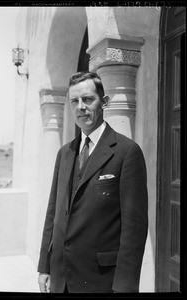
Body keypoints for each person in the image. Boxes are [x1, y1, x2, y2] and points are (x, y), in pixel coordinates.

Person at [37, 71, 148, 293]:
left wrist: (124, 288)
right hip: (61, 278)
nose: (81, 107)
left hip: (101, 281)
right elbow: (53, 213)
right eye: (75, 101)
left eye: (88, 99)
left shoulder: (127, 152)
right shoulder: (64, 153)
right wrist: (45, 266)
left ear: (103, 102)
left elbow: (134, 228)